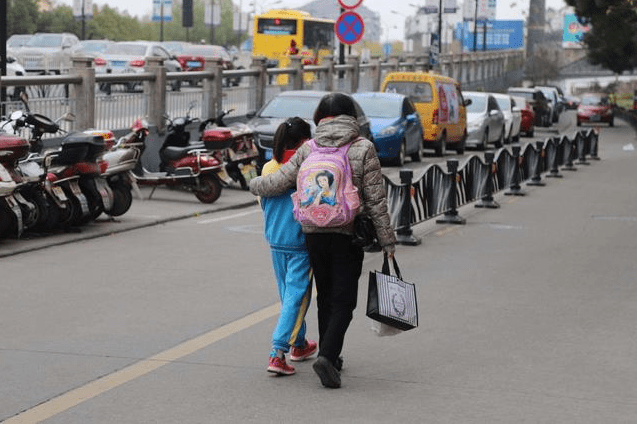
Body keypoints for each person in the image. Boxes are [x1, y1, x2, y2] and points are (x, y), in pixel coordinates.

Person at [249, 93, 396, 388]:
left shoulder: (310, 148)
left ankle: (333, 356)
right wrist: (387, 241)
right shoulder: (363, 147)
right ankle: (327, 356)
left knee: (326, 296)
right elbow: (376, 199)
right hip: (348, 233)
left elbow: (279, 181)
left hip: (313, 232)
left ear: (321, 119)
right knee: (344, 300)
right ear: (351, 116)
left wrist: (253, 183)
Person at [259, 117, 317, 376]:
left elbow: (263, 204)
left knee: (289, 297)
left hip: (275, 241)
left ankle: (300, 344)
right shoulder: (306, 166)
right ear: (305, 142)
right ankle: (278, 351)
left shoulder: (269, 167)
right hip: (300, 242)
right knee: (296, 298)